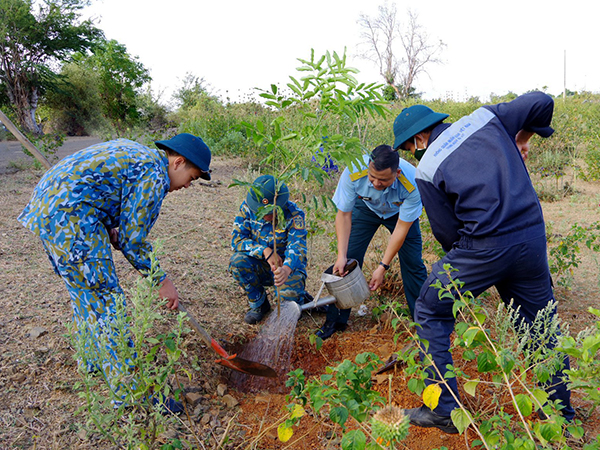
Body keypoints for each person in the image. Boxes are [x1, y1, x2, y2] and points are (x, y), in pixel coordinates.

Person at [392, 92, 575, 433]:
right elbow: (541, 100)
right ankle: (562, 417)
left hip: (483, 248)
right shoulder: (486, 117)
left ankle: (444, 408)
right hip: (531, 238)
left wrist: (478, 269)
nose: (413, 154)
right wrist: (522, 136)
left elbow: (448, 235)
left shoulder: (428, 167)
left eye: (409, 148)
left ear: (419, 138)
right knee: (540, 328)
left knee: (431, 308)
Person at [17, 133, 212, 413]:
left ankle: (93, 361)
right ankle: (132, 393)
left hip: (52, 208)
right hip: (73, 217)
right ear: (178, 162)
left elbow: (104, 189)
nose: (188, 186)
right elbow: (133, 240)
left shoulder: (137, 151)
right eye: (192, 177)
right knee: (107, 302)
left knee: (86, 294)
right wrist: (161, 280)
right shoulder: (154, 176)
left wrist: (108, 225)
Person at [316, 144, 428, 340]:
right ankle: (336, 321)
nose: (376, 183)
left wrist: (382, 267)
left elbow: (402, 228)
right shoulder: (354, 170)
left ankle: (424, 321)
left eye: (383, 180)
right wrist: (341, 255)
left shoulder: (412, 181)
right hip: (366, 207)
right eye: (372, 177)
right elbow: (343, 215)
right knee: (347, 261)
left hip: (398, 213)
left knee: (413, 264)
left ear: (397, 173)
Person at [230, 175, 308, 324]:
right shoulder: (247, 208)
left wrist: (286, 269)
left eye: (268, 211)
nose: (264, 215)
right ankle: (259, 305)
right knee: (237, 262)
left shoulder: (294, 215)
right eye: (261, 211)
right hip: (261, 265)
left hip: (287, 270)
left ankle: (296, 297)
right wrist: (265, 251)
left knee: (287, 310)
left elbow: (298, 247)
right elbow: (237, 240)